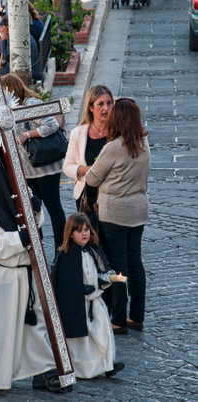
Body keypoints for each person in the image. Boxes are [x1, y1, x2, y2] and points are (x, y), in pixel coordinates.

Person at [0, 145, 66, 392]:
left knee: (35, 328)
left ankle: (43, 372)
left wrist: (36, 209)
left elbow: (34, 224)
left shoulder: (15, 192)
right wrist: (18, 240)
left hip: (25, 273)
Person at [85, 98, 150, 334]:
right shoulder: (143, 142)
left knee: (119, 267)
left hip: (114, 214)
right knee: (135, 263)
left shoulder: (113, 147)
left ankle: (119, 319)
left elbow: (92, 178)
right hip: (138, 210)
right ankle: (137, 316)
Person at [52, 213, 125, 378]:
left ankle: (106, 365)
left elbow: (100, 273)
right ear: (70, 234)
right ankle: (83, 369)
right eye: (79, 231)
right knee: (83, 341)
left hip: (95, 302)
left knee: (102, 335)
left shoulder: (93, 251)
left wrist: (110, 278)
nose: (84, 233)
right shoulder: (66, 256)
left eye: (86, 229)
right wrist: (82, 289)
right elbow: (65, 283)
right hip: (78, 305)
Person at [1, 73, 66, 250]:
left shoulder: (30, 103)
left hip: (47, 167)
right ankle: (38, 246)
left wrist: (27, 135)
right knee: (32, 208)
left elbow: (52, 125)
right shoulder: (9, 110)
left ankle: (61, 246)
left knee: (53, 206)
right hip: (29, 169)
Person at [63, 85, 114, 229]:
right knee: (90, 240)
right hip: (87, 197)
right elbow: (67, 166)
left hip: (111, 195)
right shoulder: (78, 133)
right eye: (101, 104)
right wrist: (89, 169)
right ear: (91, 107)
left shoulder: (117, 132)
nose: (106, 108)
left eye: (109, 103)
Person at [0, 15, 41, 82]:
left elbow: (7, 57)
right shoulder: (21, 32)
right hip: (31, 68)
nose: (1, 30)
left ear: (7, 27)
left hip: (28, 72)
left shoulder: (15, 36)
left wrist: (4, 38)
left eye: (2, 28)